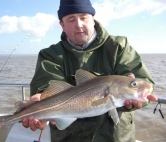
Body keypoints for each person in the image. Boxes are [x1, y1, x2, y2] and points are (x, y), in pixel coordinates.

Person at [22, 0, 157, 141]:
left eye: (83, 17)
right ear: (62, 25)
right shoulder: (50, 55)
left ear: (93, 19)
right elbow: (45, 89)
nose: (79, 24)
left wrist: (138, 96)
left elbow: (144, 82)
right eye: (71, 19)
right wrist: (39, 100)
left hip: (116, 137)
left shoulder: (119, 47)